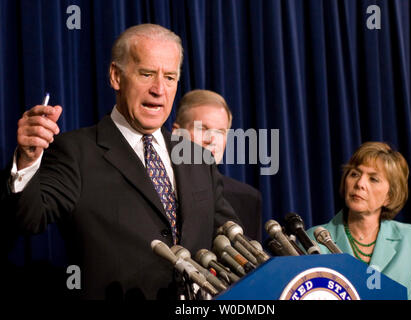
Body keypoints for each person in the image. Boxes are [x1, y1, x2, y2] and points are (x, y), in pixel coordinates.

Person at [2, 24, 239, 299]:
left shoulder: (196, 157)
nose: (159, 89)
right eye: (147, 74)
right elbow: (29, 218)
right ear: (116, 76)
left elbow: (229, 237)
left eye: (170, 77)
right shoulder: (76, 152)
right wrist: (28, 159)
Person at [306, 142, 411, 300]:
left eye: (373, 179)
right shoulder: (312, 238)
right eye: (355, 174)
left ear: (389, 196)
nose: (360, 184)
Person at [172, 89, 262, 241]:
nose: (212, 139)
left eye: (220, 131)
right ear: (177, 134)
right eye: (202, 128)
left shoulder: (248, 199)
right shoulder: (160, 187)